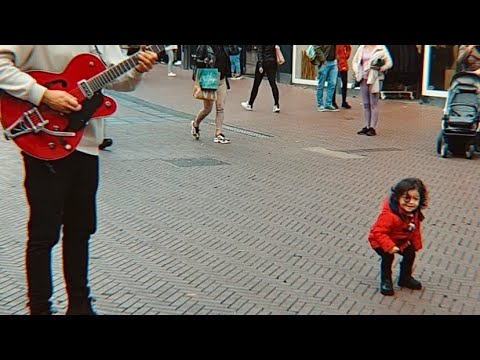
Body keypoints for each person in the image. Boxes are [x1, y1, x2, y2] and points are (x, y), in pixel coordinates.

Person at [0, 45, 157, 315]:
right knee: (44, 232)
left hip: (86, 143)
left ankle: (80, 304)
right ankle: (39, 307)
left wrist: (138, 70)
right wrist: (44, 95)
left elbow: (118, 79)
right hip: (44, 138)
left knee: (81, 229)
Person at [368, 178, 428, 296]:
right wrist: (390, 246)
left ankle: (405, 278)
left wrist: (416, 244)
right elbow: (378, 232)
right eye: (407, 198)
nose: (411, 202)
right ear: (398, 198)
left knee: (410, 253)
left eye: (416, 199)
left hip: (400, 240)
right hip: (380, 241)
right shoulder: (389, 215)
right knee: (388, 257)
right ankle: (386, 281)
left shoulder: (414, 213)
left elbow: (414, 229)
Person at [191, 45, 232, 144]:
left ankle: (218, 134)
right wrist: (204, 62)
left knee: (220, 107)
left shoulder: (224, 47)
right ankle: (195, 124)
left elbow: (231, 54)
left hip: (221, 79)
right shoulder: (204, 46)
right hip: (209, 78)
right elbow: (196, 61)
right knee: (207, 109)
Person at [352, 45, 393, 136]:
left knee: (373, 103)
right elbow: (355, 61)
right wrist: (356, 71)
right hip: (363, 78)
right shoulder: (362, 47)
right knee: (366, 104)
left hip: (374, 79)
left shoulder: (381, 48)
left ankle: (372, 127)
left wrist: (380, 69)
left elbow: (389, 63)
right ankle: (366, 126)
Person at [241, 45, 280, 113]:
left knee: (256, 85)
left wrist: (260, 65)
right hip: (272, 63)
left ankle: (250, 104)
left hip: (264, 63)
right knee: (273, 84)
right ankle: (276, 105)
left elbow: (260, 52)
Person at [311, 45, 339, 112]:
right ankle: (320, 104)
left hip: (333, 63)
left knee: (332, 84)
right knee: (321, 84)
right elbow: (316, 48)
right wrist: (323, 60)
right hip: (324, 63)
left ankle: (328, 104)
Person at [332, 45, 352, 110]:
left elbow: (348, 48)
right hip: (334, 63)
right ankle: (333, 102)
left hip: (343, 63)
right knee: (333, 83)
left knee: (344, 82)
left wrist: (346, 56)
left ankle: (344, 101)